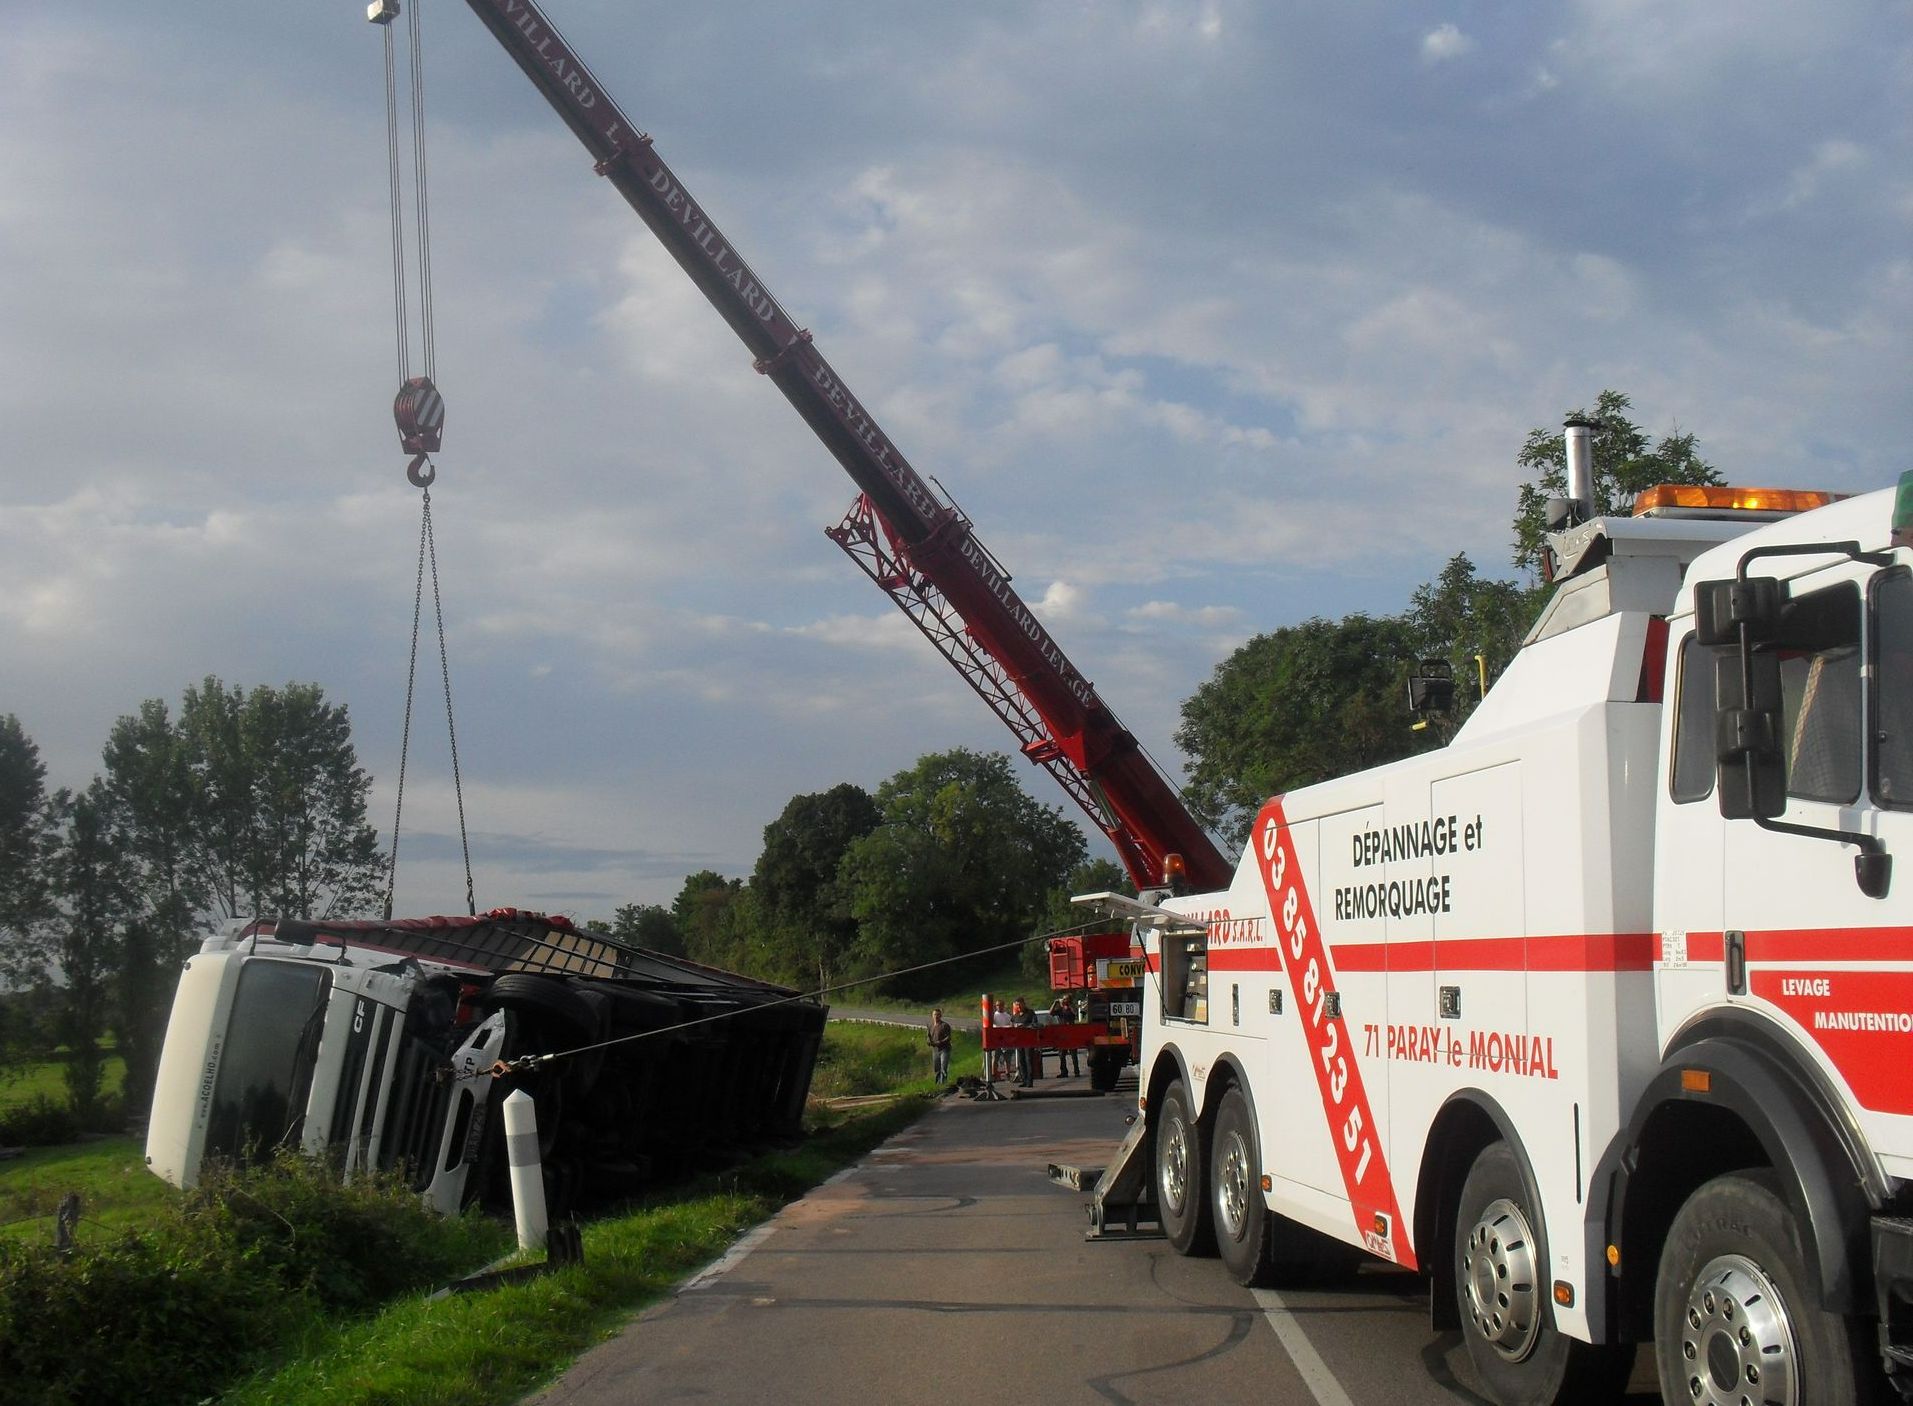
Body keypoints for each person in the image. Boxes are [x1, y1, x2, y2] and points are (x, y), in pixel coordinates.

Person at [1049, 995, 1080, 1077]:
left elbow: (1075, 1013)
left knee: (1073, 1054)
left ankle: (1076, 1071)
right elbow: (1051, 1013)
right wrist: (1055, 1003)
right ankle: (1064, 1072)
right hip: (1062, 1034)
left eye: (1066, 999)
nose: (1064, 1000)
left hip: (1071, 1033)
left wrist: (1068, 1005)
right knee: (1061, 1054)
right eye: (1064, 999)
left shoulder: (1071, 1008)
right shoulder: (1060, 1010)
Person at [1010, 997, 1037, 1087]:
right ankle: (1024, 1080)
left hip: (1029, 1040)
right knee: (1021, 1061)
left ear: (1024, 1004)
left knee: (1028, 1060)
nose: (1019, 1006)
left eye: (1020, 1004)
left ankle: (1030, 1081)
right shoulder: (1015, 1016)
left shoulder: (1030, 1013)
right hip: (1019, 1041)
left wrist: (1025, 1026)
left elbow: (1035, 1024)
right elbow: (1011, 1025)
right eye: (1017, 1005)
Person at [927, 1007, 953, 1085]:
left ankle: (943, 1084)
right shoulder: (930, 1025)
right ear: (932, 1015)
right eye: (935, 1014)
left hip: (944, 1049)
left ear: (941, 1016)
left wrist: (940, 1042)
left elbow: (948, 1037)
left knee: (943, 1067)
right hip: (935, 1050)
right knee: (936, 1068)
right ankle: (938, 1084)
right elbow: (928, 1036)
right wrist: (928, 1041)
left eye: (938, 1015)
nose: (936, 1016)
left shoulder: (945, 1025)